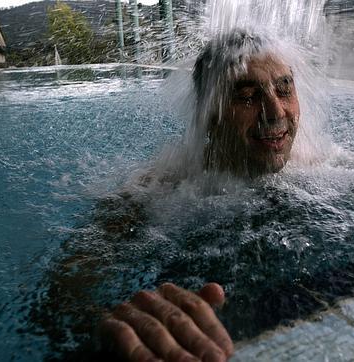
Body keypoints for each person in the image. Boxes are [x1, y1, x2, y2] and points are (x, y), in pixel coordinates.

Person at [97, 29, 301, 362]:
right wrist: (104, 320)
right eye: (247, 96)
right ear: (209, 116)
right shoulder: (160, 188)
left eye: (284, 88)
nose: (275, 112)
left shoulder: (319, 167)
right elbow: (67, 285)